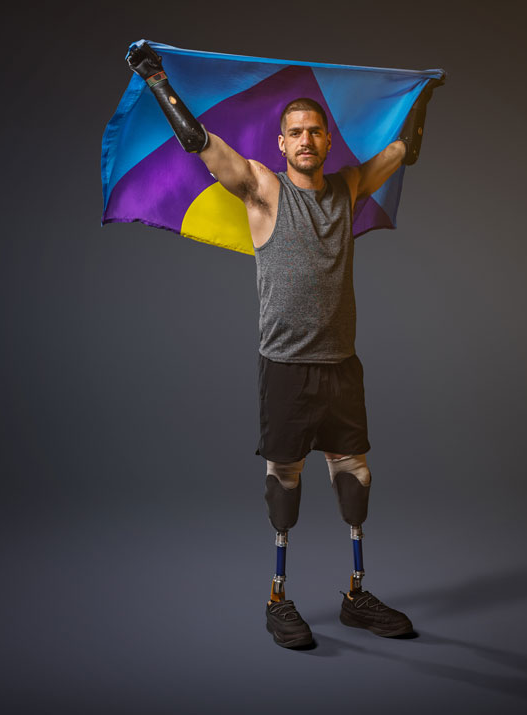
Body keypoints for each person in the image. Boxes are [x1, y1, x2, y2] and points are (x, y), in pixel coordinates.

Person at [127, 41, 441, 648]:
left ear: (328, 141)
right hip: (287, 370)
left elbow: (406, 150)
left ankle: (355, 594)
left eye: (315, 132)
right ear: (281, 144)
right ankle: (279, 598)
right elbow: (202, 146)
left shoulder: (347, 188)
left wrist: (420, 95)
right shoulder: (264, 190)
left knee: (356, 476)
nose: (305, 141)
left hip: (342, 367)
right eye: (294, 132)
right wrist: (157, 79)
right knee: (285, 481)